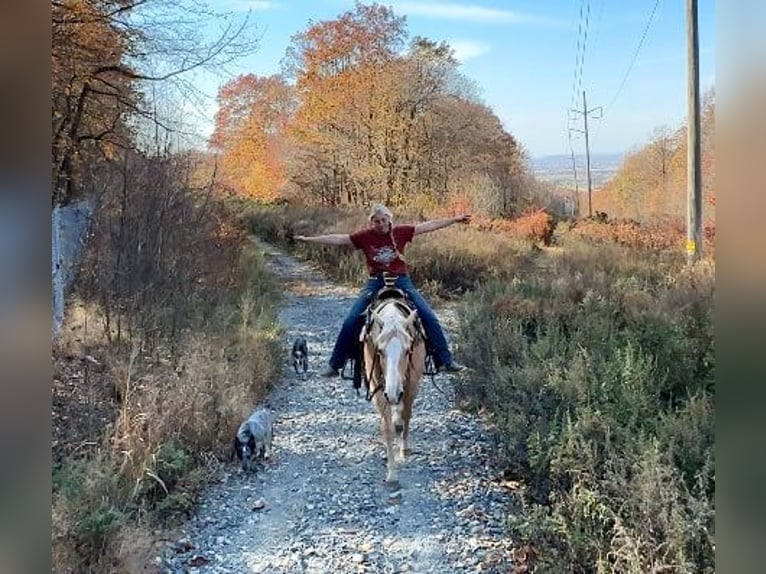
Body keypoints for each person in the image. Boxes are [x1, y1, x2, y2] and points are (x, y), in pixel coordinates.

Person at [295, 203, 470, 378]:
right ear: (372, 222)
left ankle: (445, 361)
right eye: (376, 221)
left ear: (389, 220)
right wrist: (309, 240)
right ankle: (335, 364)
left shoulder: (400, 232)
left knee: (428, 315)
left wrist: (454, 220)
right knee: (351, 320)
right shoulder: (365, 237)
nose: (380, 224)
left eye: (383, 220)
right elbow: (340, 239)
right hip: (376, 281)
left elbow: (427, 226)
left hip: (401, 280)